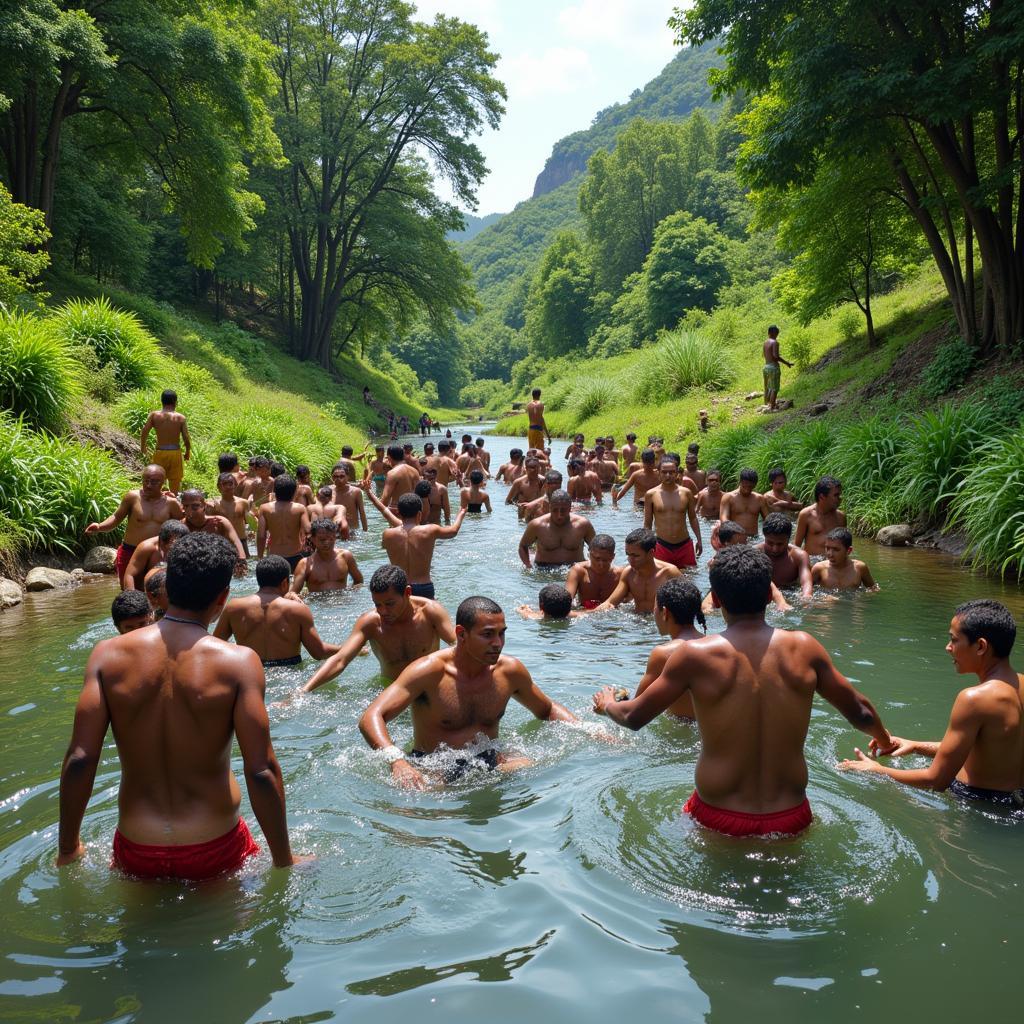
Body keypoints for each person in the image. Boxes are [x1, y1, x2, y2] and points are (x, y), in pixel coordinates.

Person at [591, 545, 896, 838]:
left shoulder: (694, 655)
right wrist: (884, 741)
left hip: (716, 815)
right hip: (792, 816)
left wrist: (607, 704)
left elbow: (632, 717)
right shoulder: (805, 647)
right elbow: (862, 712)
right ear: (768, 594)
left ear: (718, 600)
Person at [56, 533, 303, 878]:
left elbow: (81, 759)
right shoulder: (239, 662)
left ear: (166, 587)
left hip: (135, 848)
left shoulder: (107, 654)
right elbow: (261, 771)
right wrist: (284, 862)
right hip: (216, 845)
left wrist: (68, 849)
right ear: (223, 598)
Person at [358, 596, 577, 788]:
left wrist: (587, 728)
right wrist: (397, 761)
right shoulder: (428, 672)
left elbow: (546, 709)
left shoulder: (509, 671)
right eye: (488, 635)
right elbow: (371, 717)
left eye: (502, 634)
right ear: (461, 634)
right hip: (434, 768)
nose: (498, 643)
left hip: (490, 760)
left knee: (541, 775)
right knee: (413, 816)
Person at [839, 600, 1024, 808]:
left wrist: (876, 771)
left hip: (974, 806)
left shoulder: (975, 699)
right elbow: (989, 749)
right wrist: (915, 746)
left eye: (954, 640)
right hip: (1013, 804)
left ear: (980, 646)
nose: (948, 648)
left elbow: (936, 780)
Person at [301, 565, 455, 692]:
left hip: (430, 687)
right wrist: (304, 691)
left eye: (389, 604)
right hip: (391, 690)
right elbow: (340, 660)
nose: (383, 611)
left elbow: (457, 645)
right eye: (377, 604)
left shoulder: (431, 612)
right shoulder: (371, 622)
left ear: (407, 592)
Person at [214, 555, 340, 668]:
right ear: (285, 582)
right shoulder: (298, 609)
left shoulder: (234, 607)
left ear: (259, 579)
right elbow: (319, 653)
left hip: (249, 669)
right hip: (289, 672)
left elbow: (214, 646)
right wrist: (352, 649)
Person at [85, 465, 183, 587]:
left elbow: (183, 526)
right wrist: (99, 527)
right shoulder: (133, 497)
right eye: (145, 481)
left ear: (163, 483)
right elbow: (116, 517)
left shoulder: (171, 503)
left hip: (156, 553)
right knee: (127, 588)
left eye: (153, 482)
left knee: (156, 590)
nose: (148, 485)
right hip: (130, 550)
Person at [365, 489, 466, 599]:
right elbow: (453, 531)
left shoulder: (388, 534)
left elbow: (384, 510)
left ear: (399, 512)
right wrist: (461, 513)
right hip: (423, 586)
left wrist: (370, 494)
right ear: (419, 513)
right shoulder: (430, 530)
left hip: (399, 587)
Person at [630, 578, 707, 720]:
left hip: (681, 730)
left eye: (655, 608)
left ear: (664, 612)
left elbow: (634, 710)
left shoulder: (663, 654)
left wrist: (607, 703)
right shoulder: (714, 645)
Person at [596, 528, 681, 613]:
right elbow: (610, 603)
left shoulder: (669, 573)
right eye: (628, 554)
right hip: (636, 621)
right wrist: (586, 614)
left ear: (651, 552)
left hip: (659, 623)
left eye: (635, 556)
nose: (630, 560)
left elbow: (688, 601)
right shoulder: (628, 573)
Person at [643, 457, 703, 569]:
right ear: (659, 473)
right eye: (664, 472)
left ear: (677, 473)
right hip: (661, 545)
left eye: (671, 472)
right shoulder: (651, 494)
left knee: (689, 579)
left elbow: (693, 518)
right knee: (661, 580)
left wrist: (699, 540)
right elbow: (647, 523)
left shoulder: (686, 493)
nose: (668, 475)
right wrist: (646, 545)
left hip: (684, 545)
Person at [518, 491, 595, 568]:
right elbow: (523, 546)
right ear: (550, 507)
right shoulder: (537, 525)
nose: (559, 515)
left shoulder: (583, 525)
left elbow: (596, 548)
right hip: (543, 570)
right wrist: (528, 565)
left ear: (570, 508)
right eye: (555, 510)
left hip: (575, 568)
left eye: (563, 510)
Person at [291, 518, 363, 593]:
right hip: (317, 603)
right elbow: (293, 592)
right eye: (322, 540)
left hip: (342, 601)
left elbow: (359, 582)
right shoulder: (305, 564)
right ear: (313, 539)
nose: (327, 543)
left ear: (335, 537)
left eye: (331, 539)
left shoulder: (346, 557)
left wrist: (350, 595)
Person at [140, 389, 191, 495]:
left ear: (161, 401)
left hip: (160, 452)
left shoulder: (154, 415)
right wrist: (187, 452)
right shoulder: (180, 418)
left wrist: (143, 447)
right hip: (175, 453)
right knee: (175, 483)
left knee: (155, 480)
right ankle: (173, 502)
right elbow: (186, 437)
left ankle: (154, 503)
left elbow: (144, 431)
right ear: (175, 402)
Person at [256, 475, 311, 571]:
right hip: (296, 555)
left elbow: (261, 535)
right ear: (294, 491)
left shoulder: (264, 508)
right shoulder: (300, 508)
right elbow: (308, 530)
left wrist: (260, 558)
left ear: (275, 491)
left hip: (274, 557)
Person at [122, 519, 189, 592]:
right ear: (162, 542)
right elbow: (129, 575)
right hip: (144, 593)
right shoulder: (146, 547)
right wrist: (133, 599)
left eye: (181, 544)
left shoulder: (186, 547)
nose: (178, 548)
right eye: (174, 545)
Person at [758, 513, 814, 599]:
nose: (775, 549)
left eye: (780, 544)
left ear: (788, 539)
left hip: (789, 595)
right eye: (770, 543)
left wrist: (807, 598)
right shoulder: (755, 554)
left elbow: (806, 584)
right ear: (764, 537)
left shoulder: (799, 556)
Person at [565, 534, 622, 609]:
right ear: (589, 554)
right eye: (597, 559)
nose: (601, 564)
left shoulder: (620, 574)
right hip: (585, 613)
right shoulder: (578, 571)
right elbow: (566, 601)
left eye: (605, 560)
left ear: (613, 557)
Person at [794, 476, 847, 556]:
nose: (840, 498)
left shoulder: (841, 517)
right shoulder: (806, 515)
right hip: (812, 563)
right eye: (836, 495)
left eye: (840, 494)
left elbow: (845, 548)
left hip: (832, 565)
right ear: (822, 497)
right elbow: (796, 547)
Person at [812, 528, 878, 591]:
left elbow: (873, 589)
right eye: (827, 548)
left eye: (836, 549)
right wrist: (823, 599)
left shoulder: (860, 568)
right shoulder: (819, 568)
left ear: (849, 550)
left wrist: (861, 600)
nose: (830, 554)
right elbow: (805, 591)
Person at [211, 471, 252, 557]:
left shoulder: (243, 503)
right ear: (218, 487)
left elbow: (249, 522)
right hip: (222, 542)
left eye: (230, 483)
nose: (228, 486)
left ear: (235, 485)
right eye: (224, 484)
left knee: (243, 567)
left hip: (241, 540)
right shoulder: (213, 505)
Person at [719, 468, 765, 538]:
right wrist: (732, 536)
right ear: (740, 482)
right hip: (735, 538)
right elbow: (723, 519)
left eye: (750, 487)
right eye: (744, 486)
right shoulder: (728, 497)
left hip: (754, 538)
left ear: (755, 485)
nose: (747, 490)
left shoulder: (759, 499)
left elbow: (768, 519)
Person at [380, 444, 421, 514]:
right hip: (414, 512)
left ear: (389, 458)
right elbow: (419, 495)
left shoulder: (392, 473)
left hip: (398, 512)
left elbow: (384, 500)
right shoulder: (414, 471)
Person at [329, 464, 368, 532]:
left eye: (342, 476)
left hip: (352, 531)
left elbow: (362, 512)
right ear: (332, 478)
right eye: (335, 476)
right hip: (333, 531)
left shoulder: (356, 492)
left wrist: (365, 531)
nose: (338, 479)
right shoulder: (328, 491)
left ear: (348, 477)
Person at [763, 325, 793, 411]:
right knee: (774, 387)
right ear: (775, 333)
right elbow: (776, 356)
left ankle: (769, 403)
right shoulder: (775, 343)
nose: (777, 335)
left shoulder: (765, 343)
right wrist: (787, 363)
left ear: (768, 333)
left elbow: (764, 355)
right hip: (773, 368)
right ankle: (772, 407)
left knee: (768, 387)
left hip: (766, 367)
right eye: (777, 333)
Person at [517, 583, 583, 621]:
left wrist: (526, 609)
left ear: (541, 606)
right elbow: (589, 612)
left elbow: (521, 610)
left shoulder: (533, 616)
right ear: (569, 607)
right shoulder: (576, 615)